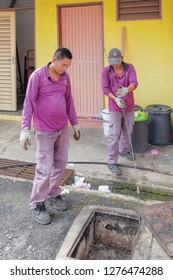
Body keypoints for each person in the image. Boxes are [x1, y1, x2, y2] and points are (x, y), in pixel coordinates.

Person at [20, 47, 81, 225]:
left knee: (61, 164)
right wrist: (25, 129)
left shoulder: (65, 77)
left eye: (68, 66)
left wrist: (75, 123)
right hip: (45, 130)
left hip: (62, 128)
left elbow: (69, 100)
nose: (65, 69)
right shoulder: (37, 77)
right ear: (54, 60)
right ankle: (38, 203)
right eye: (63, 65)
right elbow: (29, 102)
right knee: (44, 169)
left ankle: (53, 193)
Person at [101, 48, 138, 176]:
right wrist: (116, 99)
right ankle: (111, 161)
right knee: (114, 134)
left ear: (122, 57)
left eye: (117, 61)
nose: (115, 64)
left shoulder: (129, 68)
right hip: (115, 107)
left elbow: (134, 83)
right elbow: (105, 89)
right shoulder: (106, 71)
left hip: (129, 105)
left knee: (128, 130)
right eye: (113, 62)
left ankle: (124, 150)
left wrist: (127, 90)